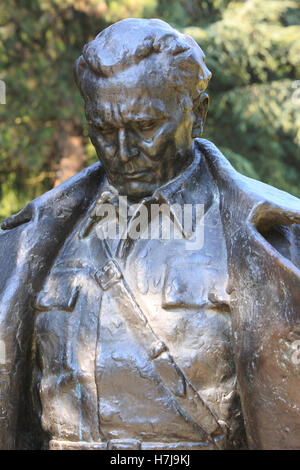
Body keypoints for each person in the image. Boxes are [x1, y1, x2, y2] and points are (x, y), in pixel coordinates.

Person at [0, 18, 300, 450]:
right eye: (103, 130)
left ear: (197, 114)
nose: (121, 153)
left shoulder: (272, 237)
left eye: (145, 128)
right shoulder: (33, 238)